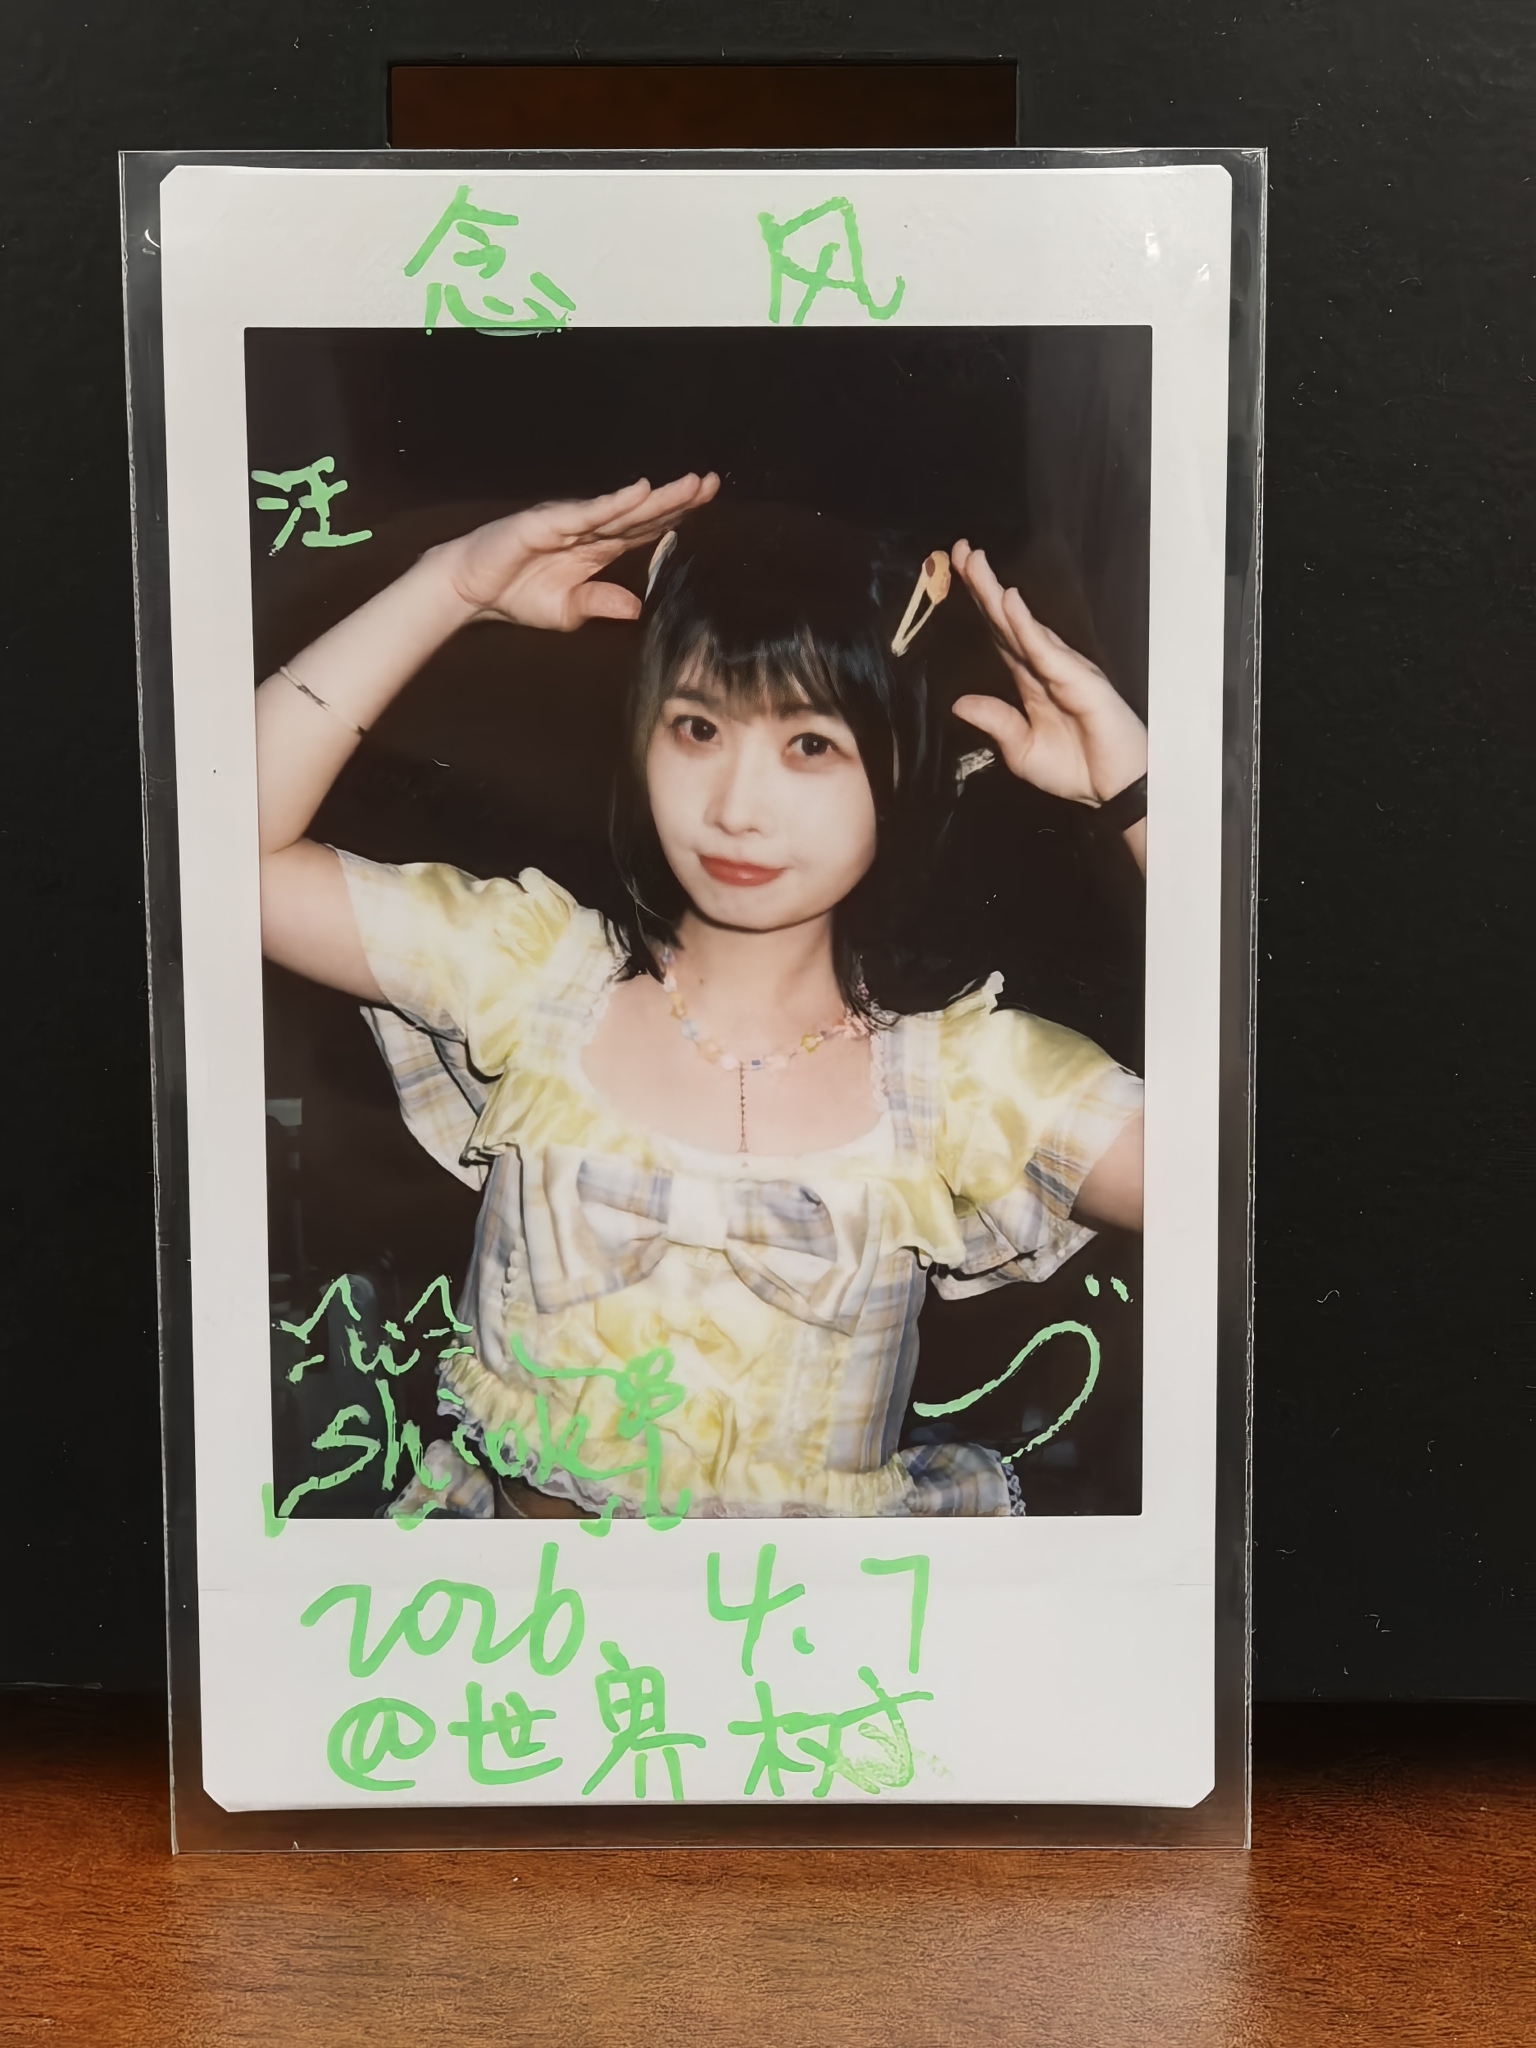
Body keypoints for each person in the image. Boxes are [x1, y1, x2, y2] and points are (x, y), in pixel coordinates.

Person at [256, 472, 1148, 1521]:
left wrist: (1139, 794)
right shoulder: (531, 974)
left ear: (903, 766)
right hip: (509, 1622)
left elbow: (1252, 1193)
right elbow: (223, 854)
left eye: (809, 744)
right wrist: (447, 585)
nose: (736, 808)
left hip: (801, 1633)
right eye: (696, 728)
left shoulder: (965, 1080)